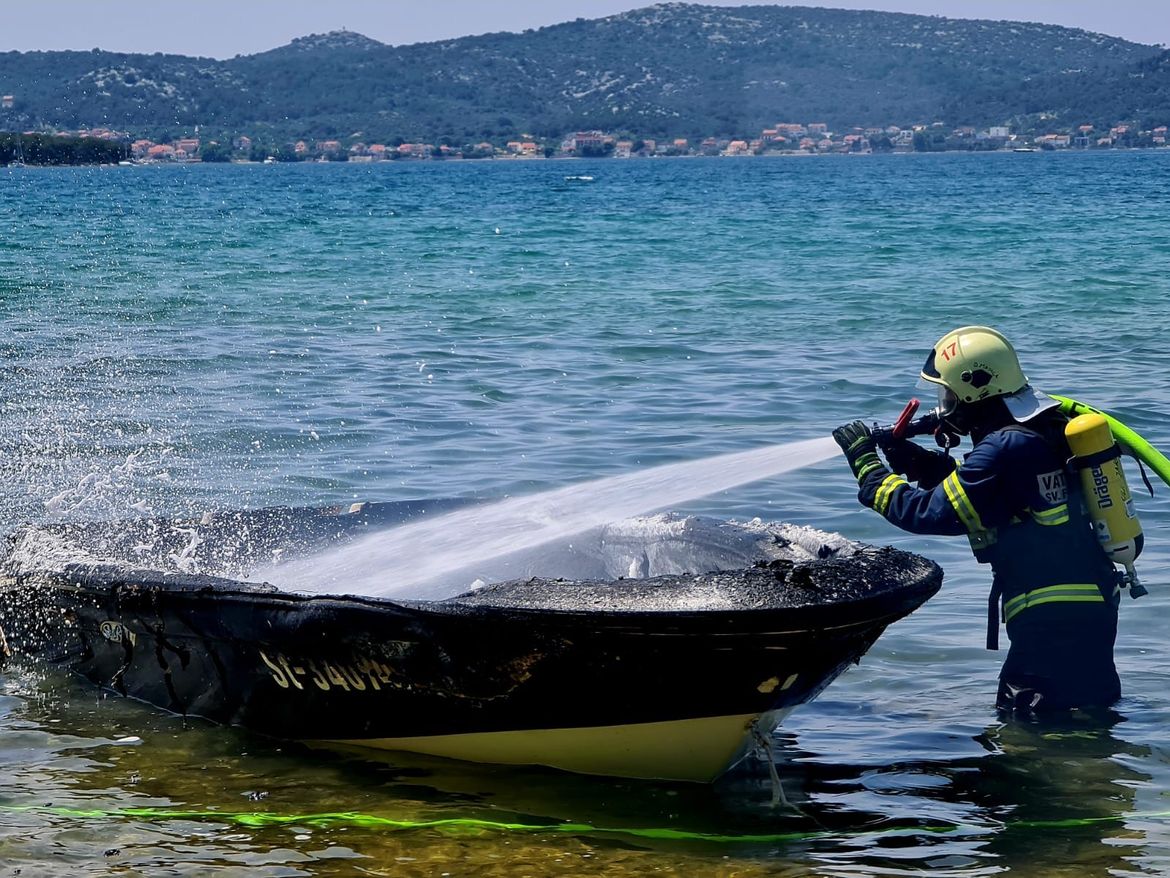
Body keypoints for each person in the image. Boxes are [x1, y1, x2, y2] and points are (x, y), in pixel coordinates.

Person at [832, 325, 1123, 715]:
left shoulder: (1003, 446)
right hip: (1087, 603)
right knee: (1088, 711)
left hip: (1051, 617)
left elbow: (927, 513)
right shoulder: (1039, 428)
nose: (944, 406)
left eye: (949, 395)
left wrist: (867, 467)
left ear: (977, 387)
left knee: (1028, 722)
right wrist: (922, 464)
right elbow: (998, 496)